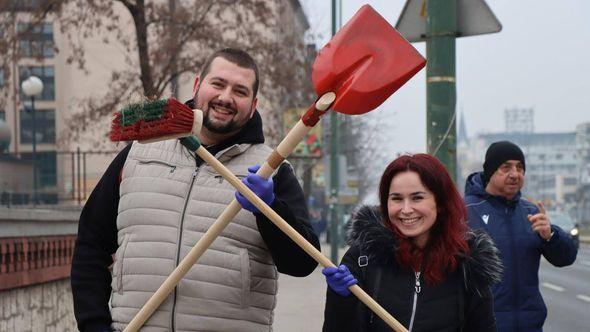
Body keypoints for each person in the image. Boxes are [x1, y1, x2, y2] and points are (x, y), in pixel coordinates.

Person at [71, 48, 320, 332]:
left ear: (254, 104)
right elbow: (91, 245)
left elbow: (302, 264)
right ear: (197, 85)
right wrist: (94, 325)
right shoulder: (138, 153)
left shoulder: (272, 171)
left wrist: (271, 209)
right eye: (218, 84)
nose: (225, 97)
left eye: (240, 91)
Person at [322, 154, 503, 332]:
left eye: (417, 198)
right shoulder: (363, 257)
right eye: (397, 199)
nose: (406, 209)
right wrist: (342, 301)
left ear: (440, 202)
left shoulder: (469, 264)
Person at [464, 140, 578, 332]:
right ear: (490, 171)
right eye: (506, 167)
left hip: (529, 325)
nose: (514, 174)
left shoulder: (531, 211)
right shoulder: (466, 211)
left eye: (520, 167)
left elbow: (566, 258)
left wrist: (550, 236)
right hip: (483, 325)